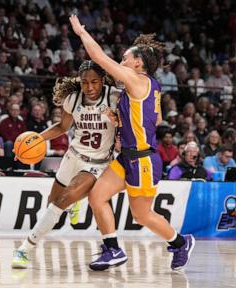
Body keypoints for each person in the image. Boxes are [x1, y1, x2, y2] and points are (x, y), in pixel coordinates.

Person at [69, 15, 195, 271]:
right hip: (127, 156)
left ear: (138, 63)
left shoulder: (136, 79)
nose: (122, 61)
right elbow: (155, 118)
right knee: (97, 196)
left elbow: (99, 59)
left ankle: (181, 242)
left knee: (142, 215)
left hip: (143, 160)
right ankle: (113, 249)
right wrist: (122, 120)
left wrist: (82, 33)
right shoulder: (147, 86)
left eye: (126, 58)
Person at [12, 60, 122, 269]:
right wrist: (36, 139)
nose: (89, 87)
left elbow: (129, 128)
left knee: (63, 200)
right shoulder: (73, 99)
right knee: (52, 206)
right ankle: (74, 202)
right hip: (73, 157)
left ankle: (24, 249)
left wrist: (117, 121)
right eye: (85, 82)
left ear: (103, 80)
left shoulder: (115, 98)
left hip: (97, 164)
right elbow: (63, 127)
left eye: (95, 82)